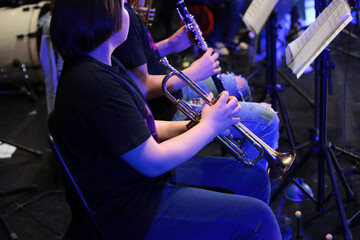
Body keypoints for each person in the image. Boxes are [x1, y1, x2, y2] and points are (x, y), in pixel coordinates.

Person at [50, 0, 282, 239]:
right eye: (120, 5)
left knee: (254, 178)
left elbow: (138, 130)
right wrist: (209, 125)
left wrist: (193, 124)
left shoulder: (102, 65)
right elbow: (153, 162)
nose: (127, 9)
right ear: (100, 19)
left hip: (139, 183)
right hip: (131, 209)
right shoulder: (96, 86)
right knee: (258, 219)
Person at [113, 1, 279, 171]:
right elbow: (141, 87)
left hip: (169, 90)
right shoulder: (123, 16)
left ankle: (235, 154)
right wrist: (192, 73)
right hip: (163, 108)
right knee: (267, 120)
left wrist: (171, 44)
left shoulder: (124, 13)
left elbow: (134, 59)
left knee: (239, 85)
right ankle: (249, 180)